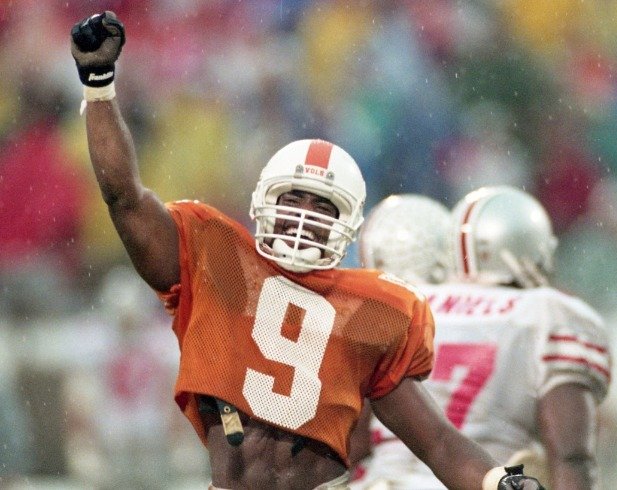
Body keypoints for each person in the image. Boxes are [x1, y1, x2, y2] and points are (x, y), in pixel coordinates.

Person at [70, 11, 544, 490]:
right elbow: (123, 197)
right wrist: (99, 86)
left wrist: (498, 481)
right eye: (292, 198)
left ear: (348, 223)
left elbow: (436, 441)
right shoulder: (218, 263)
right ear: (263, 202)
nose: (303, 216)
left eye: (321, 205)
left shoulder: (371, 311)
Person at [353, 187, 612, 489]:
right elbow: (571, 457)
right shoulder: (547, 313)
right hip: (483, 481)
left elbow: (355, 443)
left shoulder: (409, 302)